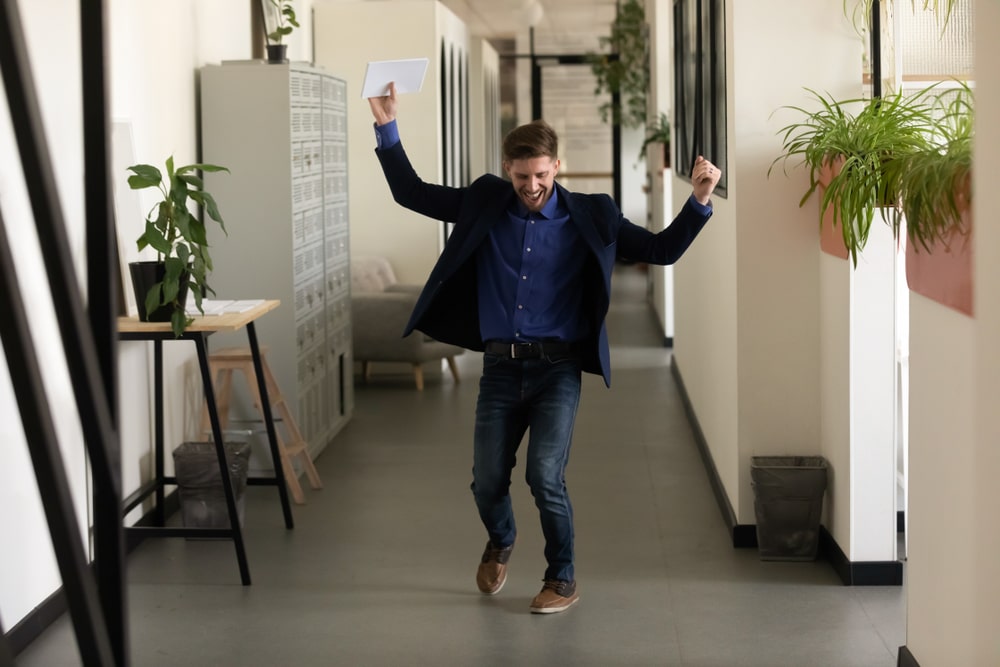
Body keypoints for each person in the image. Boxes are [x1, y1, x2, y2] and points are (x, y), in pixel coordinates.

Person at [367, 82, 721, 614]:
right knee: (486, 481)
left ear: (557, 165)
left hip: (557, 369)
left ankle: (562, 577)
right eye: (520, 175)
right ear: (507, 169)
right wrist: (387, 127)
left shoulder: (594, 214)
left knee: (544, 475)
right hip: (500, 368)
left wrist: (698, 200)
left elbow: (658, 250)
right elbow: (412, 193)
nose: (531, 186)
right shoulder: (486, 200)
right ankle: (501, 538)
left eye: (540, 174)